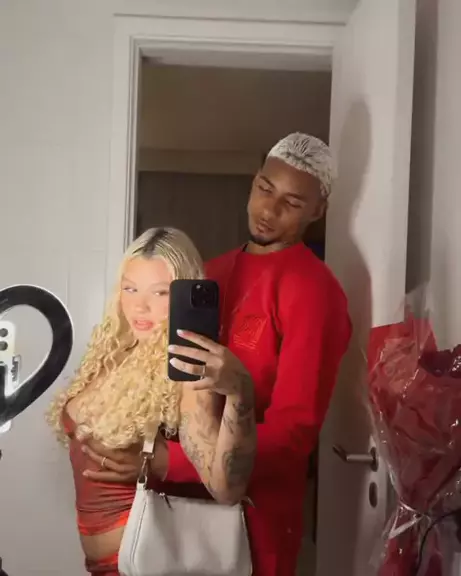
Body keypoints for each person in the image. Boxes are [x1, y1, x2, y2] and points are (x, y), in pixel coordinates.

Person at [85, 132, 352, 575]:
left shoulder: (315, 292)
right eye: (265, 189)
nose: (269, 210)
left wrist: (168, 461)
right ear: (254, 181)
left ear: (318, 211)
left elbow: (294, 433)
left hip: (254, 516)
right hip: (175, 510)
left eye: (291, 202)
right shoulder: (210, 272)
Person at [46, 227, 257, 576]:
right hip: (101, 565)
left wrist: (239, 394)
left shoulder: (186, 371)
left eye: (159, 292)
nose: (139, 306)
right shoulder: (114, 351)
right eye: (130, 288)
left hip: (141, 562)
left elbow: (226, 488)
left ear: (182, 295)